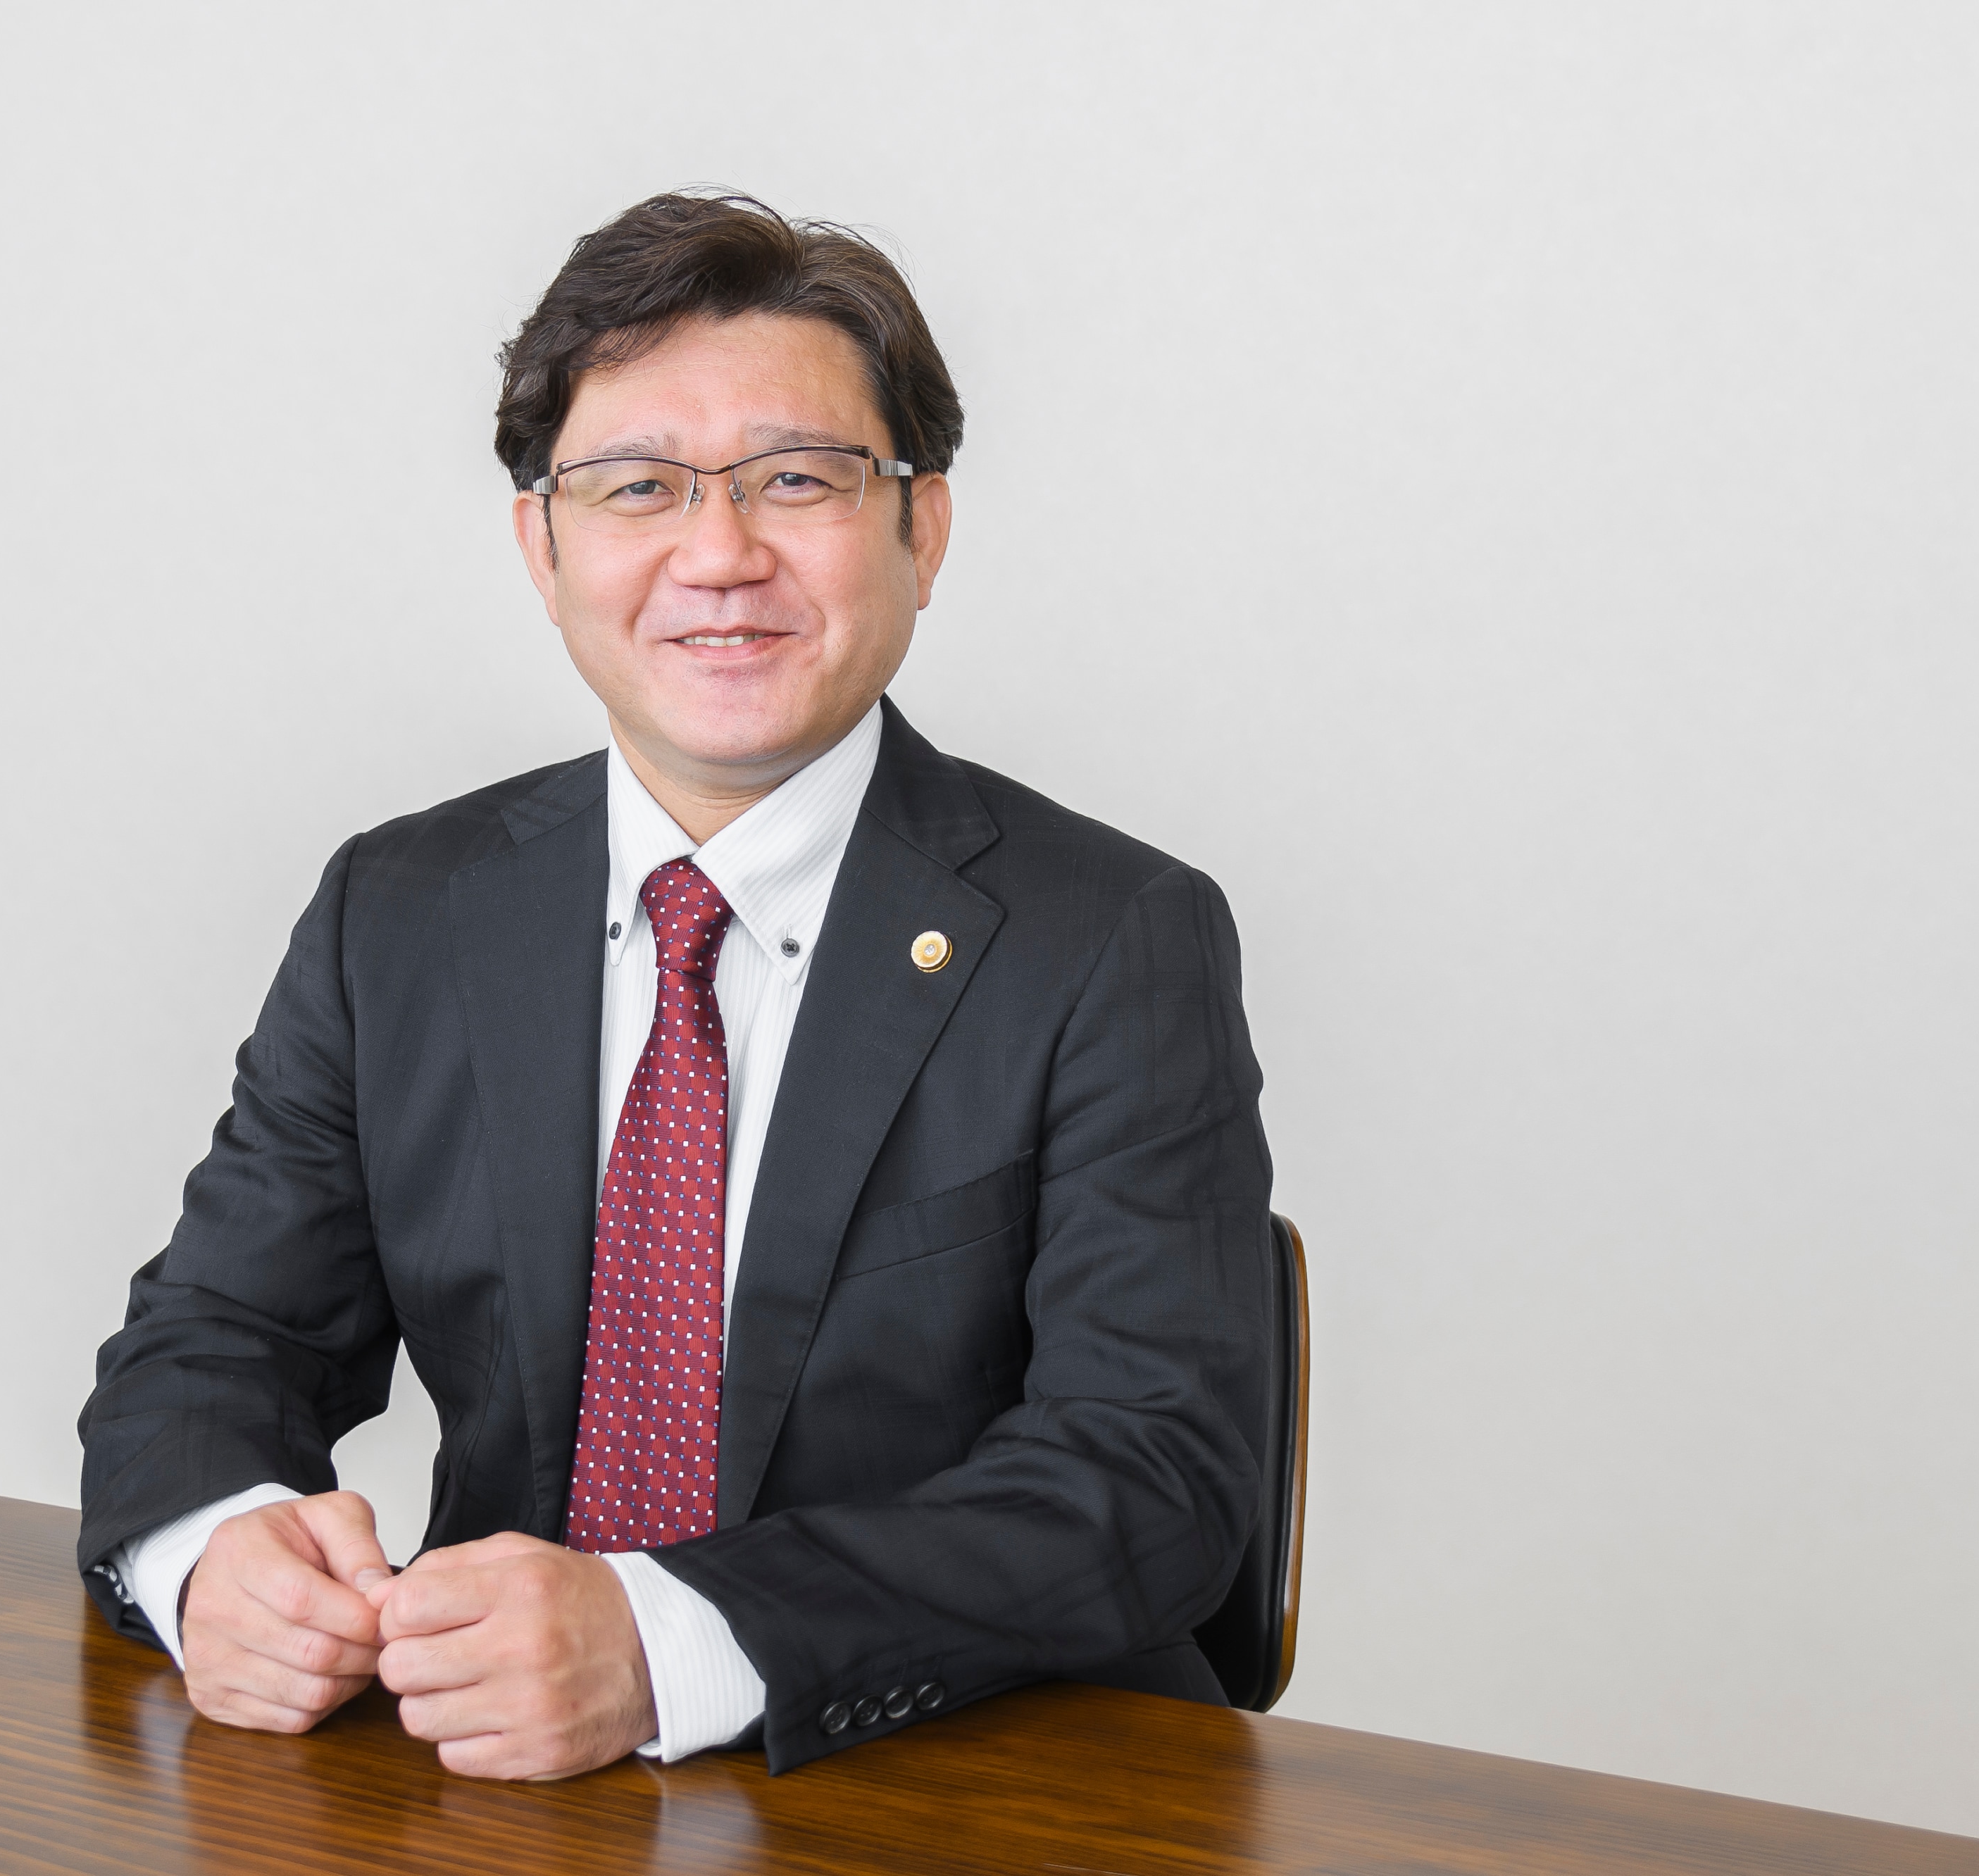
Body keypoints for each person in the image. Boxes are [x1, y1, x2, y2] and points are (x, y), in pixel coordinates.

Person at [76, 191, 1275, 1780]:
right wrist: (217, 1553)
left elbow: (1153, 1475)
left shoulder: (1113, 937)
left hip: (958, 1783)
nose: (719, 556)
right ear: (544, 548)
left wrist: (665, 1641)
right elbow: (217, 1333)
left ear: (921, 529)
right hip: (496, 1783)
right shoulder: (403, 909)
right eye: (638, 486)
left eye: (800, 478)